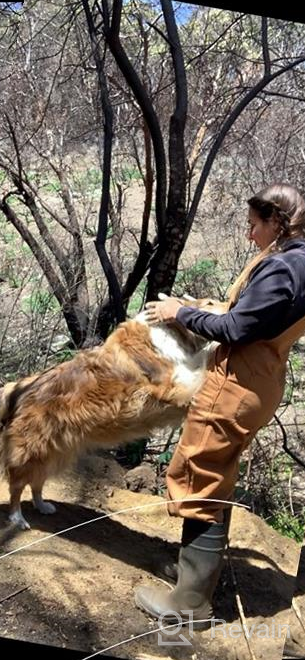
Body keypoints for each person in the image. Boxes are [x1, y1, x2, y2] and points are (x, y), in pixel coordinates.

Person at [134, 182, 305, 625]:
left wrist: (179, 313)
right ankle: (195, 576)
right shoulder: (298, 259)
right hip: (261, 379)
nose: (250, 235)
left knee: (199, 475)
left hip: (237, 382)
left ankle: (190, 603)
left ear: (277, 222)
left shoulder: (285, 268)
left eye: (254, 225)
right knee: (216, 473)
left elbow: (236, 328)